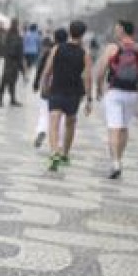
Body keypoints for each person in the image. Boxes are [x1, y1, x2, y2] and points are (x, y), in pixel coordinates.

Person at [95, 20, 138, 179]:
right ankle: (119, 159)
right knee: (124, 128)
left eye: (116, 29)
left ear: (121, 31)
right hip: (133, 94)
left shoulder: (112, 48)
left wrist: (99, 87)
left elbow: (100, 71)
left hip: (114, 92)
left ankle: (115, 162)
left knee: (114, 128)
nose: (115, 31)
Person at [40, 20, 93, 171]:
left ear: (70, 32)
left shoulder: (57, 48)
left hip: (56, 89)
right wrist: (89, 99)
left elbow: (47, 70)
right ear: (82, 35)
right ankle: (64, 154)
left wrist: (44, 85)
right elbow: (87, 77)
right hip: (73, 93)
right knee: (70, 123)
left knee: (54, 123)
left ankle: (54, 152)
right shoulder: (85, 54)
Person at [32, 29, 66, 148]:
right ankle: (59, 143)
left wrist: (36, 83)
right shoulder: (72, 51)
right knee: (60, 117)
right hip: (64, 89)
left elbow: (41, 68)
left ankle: (41, 131)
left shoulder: (49, 52)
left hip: (48, 88)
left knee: (44, 113)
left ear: (55, 38)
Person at [0, 18, 26, 106]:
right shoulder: (9, 36)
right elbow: (5, 48)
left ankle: (12, 99)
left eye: (16, 24)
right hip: (10, 61)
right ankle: (1, 98)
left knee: (12, 81)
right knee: (5, 80)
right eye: (14, 24)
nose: (15, 25)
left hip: (14, 62)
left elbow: (20, 51)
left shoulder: (16, 36)